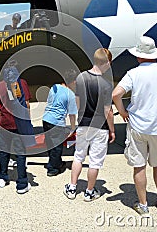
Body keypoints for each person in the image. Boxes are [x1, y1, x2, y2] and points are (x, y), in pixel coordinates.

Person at [112, 36, 157, 215]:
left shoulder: (134, 73)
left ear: (139, 56)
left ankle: (143, 205)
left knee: (139, 166)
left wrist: (123, 112)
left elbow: (116, 94)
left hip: (137, 127)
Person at [64, 48, 115, 202]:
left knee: (78, 156)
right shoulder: (106, 84)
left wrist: (80, 116)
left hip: (84, 124)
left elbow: (78, 101)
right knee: (95, 161)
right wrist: (112, 130)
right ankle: (89, 191)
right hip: (100, 127)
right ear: (107, 63)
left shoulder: (81, 78)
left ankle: (72, 187)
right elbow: (108, 111)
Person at [0, 61, 32, 194]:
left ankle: (3, 177)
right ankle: (22, 184)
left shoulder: (1, 85)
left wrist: (1, 111)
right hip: (19, 123)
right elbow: (27, 105)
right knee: (20, 154)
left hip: (5, 123)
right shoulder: (22, 83)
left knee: (4, 152)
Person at [42, 69, 78, 176]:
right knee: (57, 147)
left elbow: (49, 101)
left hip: (46, 119)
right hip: (57, 122)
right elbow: (72, 115)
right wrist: (72, 128)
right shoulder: (71, 94)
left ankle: (56, 163)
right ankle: (52, 169)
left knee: (50, 144)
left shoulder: (55, 87)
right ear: (74, 82)